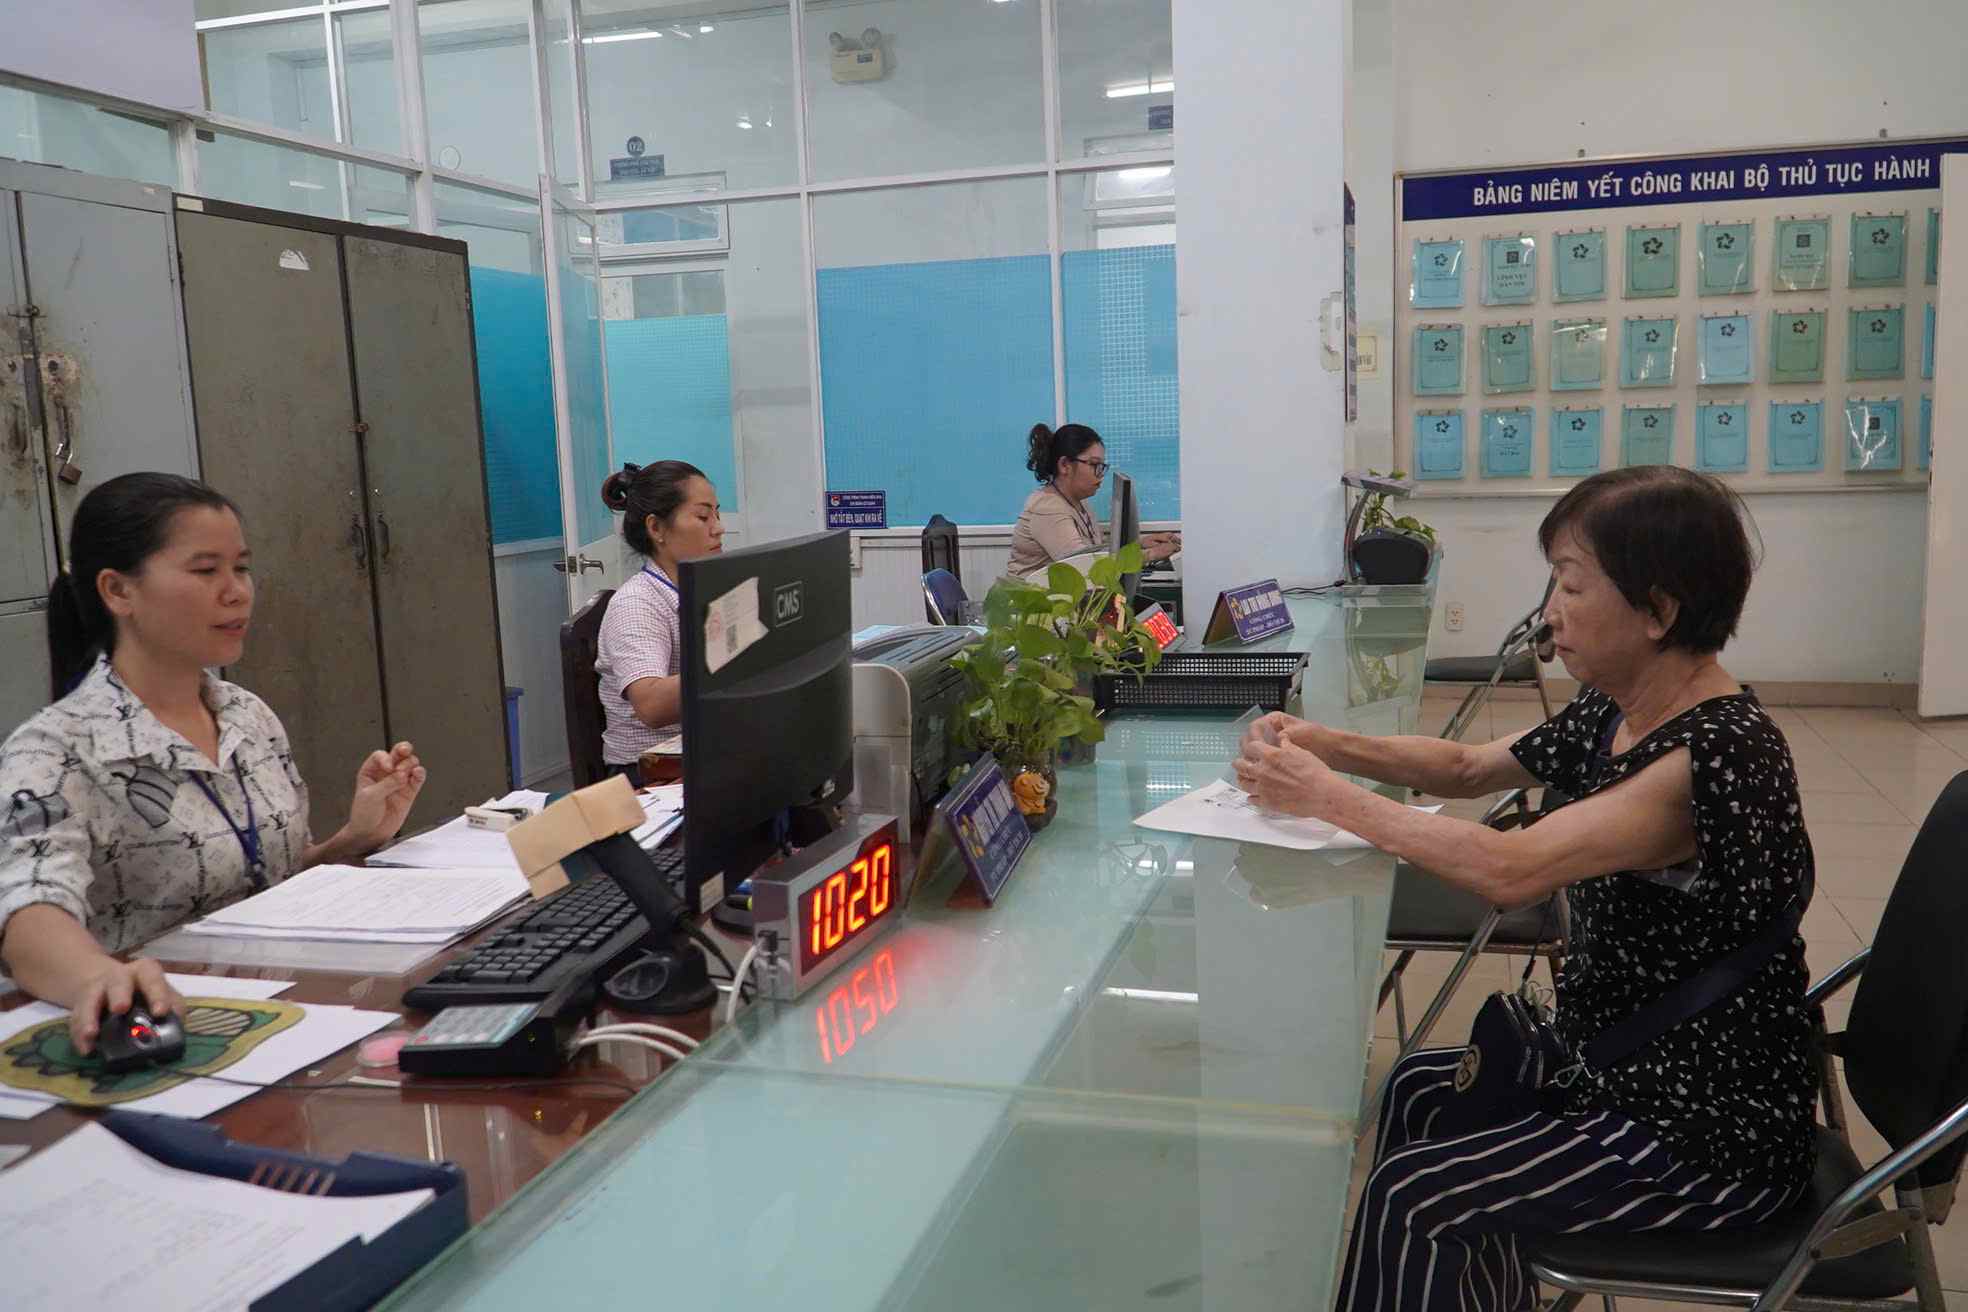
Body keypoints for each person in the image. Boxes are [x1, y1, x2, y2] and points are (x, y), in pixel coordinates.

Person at [1233, 466, 1816, 1312]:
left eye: (1571, 586)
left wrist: (1325, 797)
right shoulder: (1620, 709)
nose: (1550, 613)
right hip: (1619, 1070)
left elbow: (1509, 870)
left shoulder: (1712, 753)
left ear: (1658, 611)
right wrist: (1325, 744)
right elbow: (1469, 767)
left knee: (1420, 1198)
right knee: (1419, 1088)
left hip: (1700, 1133)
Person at [0, 473, 426, 1054]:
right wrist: (97, 978)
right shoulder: (54, 751)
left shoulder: (247, 716)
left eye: (241, 568)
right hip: (166, 1037)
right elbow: (28, 914)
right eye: (206, 571)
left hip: (288, 1019)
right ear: (118, 591)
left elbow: (263, 878)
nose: (237, 592)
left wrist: (353, 840)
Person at [595, 461, 724, 782]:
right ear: (656, 529)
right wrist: (738, 662)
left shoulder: (705, 588)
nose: (718, 528)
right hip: (647, 773)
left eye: (717, 514)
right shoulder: (637, 603)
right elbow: (651, 704)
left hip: (704, 753)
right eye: (703, 517)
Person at [1005, 422, 1178, 578]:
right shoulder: (1047, 508)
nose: (1100, 474)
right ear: (1065, 465)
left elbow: (1093, 553)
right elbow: (1084, 567)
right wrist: (1151, 555)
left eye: (1102, 466)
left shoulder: (1079, 501)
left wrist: (1140, 545)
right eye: (1094, 465)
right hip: (1031, 603)